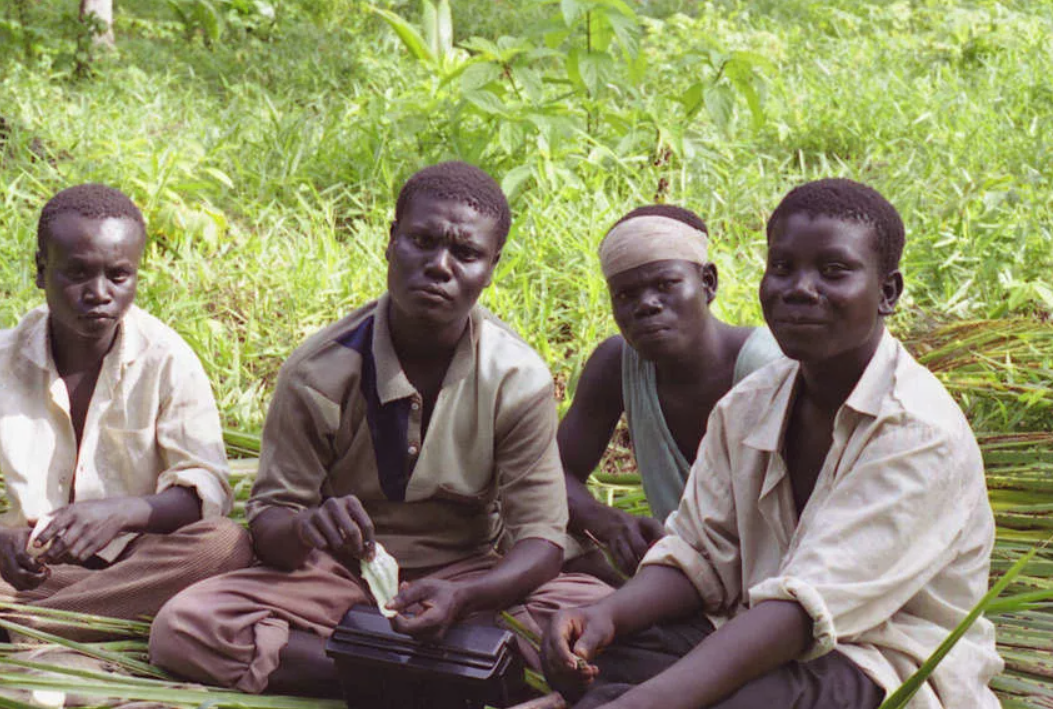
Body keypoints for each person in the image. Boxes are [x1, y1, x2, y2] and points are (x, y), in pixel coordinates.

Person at [147, 161, 610, 696]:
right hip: (342, 580)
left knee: (598, 615)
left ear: (492, 266)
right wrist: (307, 527)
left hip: (471, 579)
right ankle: (445, 679)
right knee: (184, 626)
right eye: (422, 240)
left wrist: (467, 596)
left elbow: (541, 544)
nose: (439, 266)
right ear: (390, 242)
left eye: (466, 253)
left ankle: (380, 669)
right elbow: (271, 526)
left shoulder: (516, 379)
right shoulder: (319, 372)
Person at [542, 178, 1003, 709]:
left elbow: (801, 612)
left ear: (887, 293)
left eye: (833, 271)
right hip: (753, 632)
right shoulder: (751, 404)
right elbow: (700, 554)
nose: (798, 288)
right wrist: (607, 615)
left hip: (875, 661)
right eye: (781, 268)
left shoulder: (918, 433)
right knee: (605, 656)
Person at [0, 183, 252, 642]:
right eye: (77, 274)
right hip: (28, 570)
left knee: (225, 545)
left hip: (138, 566)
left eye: (119, 276)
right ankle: (97, 617)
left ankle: (10, 627)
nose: (99, 293)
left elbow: (206, 489)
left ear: (136, 275)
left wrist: (122, 512)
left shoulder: (168, 359)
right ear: (41, 271)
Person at [559, 205, 782, 584]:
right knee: (539, 534)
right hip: (676, 573)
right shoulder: (618, 363)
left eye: (665, 284)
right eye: (626, 295)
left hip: (770, 574)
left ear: (708, 283)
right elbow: (547, 475)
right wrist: (610, 523)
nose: (646, 304)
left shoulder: (766, 368)